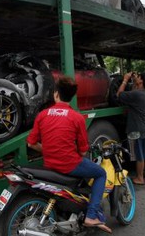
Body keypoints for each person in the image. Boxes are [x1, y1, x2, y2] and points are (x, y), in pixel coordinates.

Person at [27, 76, 112, 234]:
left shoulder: (42, 115)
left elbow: (31, 143)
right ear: (72, 96)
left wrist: (48, 150)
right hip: (70, 166)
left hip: (49, 166)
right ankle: (91, 215)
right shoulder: (77, 117)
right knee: (101, 173)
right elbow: (83, 151)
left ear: (56, 94)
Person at [117, 71, 145, 185]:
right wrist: (134, 82)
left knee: (139, 154)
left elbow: (119, 94)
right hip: (144, 125)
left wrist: (125, 80)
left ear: (141, 81)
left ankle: (140, 178)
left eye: (138, 76)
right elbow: (134, 93)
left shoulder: (137, 95)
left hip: (136, 127)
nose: (136, 77)